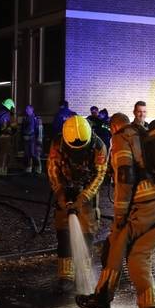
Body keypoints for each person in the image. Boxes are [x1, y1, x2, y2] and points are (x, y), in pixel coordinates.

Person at [76, 112, 155, 308]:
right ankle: (149, 305)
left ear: (113, 128)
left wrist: (120, 216)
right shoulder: (146, 134)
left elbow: (125, 178)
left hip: (140, 205)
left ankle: (101, 299)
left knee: (115, 250)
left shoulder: (121, 138)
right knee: (139, 257)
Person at [47, 115, 107, 293]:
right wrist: (60, 193)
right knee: (63, 232)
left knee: (87, 231)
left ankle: (85, 272)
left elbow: (100, 174)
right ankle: (66, 275)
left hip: (87, 192)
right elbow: (52, 168)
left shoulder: (98, 146)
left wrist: (84, 196)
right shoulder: (58, 142)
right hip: (64, 189)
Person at [0, 98, 18, 176]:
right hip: (4, 138)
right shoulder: (6, 115)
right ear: (9, 107)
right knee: (5, 154)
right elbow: (4, 127)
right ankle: (3, 172)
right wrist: (11, 128)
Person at [21, 104, 43, 174]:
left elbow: (39, 129)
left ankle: (37, 168)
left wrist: (39, 139)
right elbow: (22, 128)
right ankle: (28, 168)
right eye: (26, 109)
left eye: (28, 109)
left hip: (33, 138)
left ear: (32, 109)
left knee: (34, 154)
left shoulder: (36, 118)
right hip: (26, 138)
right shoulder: (25, 118)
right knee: (27, 154)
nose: (27, 111)